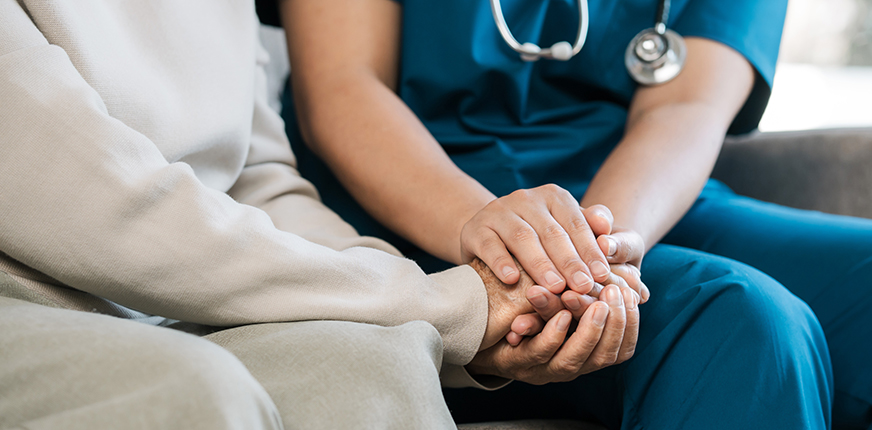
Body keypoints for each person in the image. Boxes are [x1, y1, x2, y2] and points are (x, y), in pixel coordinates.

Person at [0, 1, 644, 429]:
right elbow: (111, 209)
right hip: (27, 306)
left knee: (374, 363)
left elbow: (259, 182)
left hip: (170, 302)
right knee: (191, 394)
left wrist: (489, 311)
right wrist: (455, 306)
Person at [271, 0, 872, 428]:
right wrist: (494, 228)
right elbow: (342, 87)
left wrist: (597, 245)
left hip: (643, 199)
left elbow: (684, 107)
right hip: (419, 202)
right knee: (740, 320)